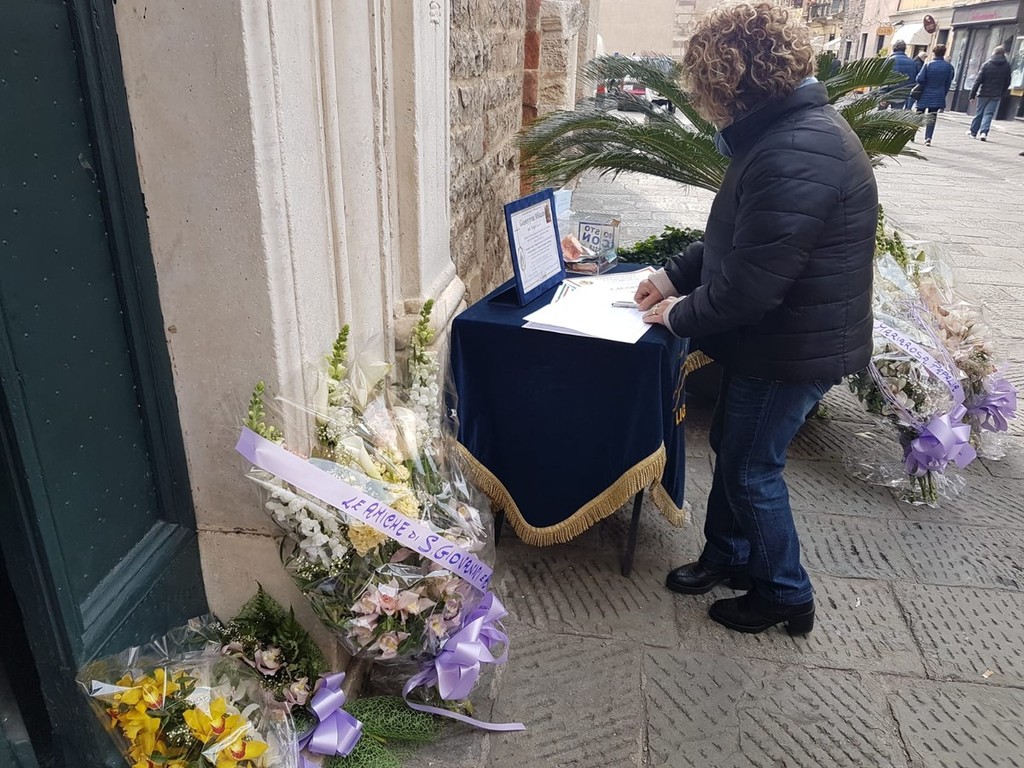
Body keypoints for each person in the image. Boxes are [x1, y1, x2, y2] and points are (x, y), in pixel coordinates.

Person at [633, 1, 877, 636]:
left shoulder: (794, 148)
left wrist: (678, 314)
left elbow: (751, 285)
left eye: (704, 85)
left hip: (788, 348)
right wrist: (672, 276)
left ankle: (784, 593)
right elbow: (739, 240)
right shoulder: (786, 133)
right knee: (734, 449)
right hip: (782, 339)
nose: (702, 101)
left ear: (730, 79)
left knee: (749, 468)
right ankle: (730, 555)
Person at [968, 46, 1012, 140]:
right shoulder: (1007, 66)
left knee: (979, 113)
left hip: (984, 93)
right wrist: (1002, 92)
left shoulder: (986, 65)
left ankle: (973, 132)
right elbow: (1008, 82)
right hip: (996, 94)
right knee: (989, 114)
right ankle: (984, 133)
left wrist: (972, 94)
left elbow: (978, 81)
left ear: (994, 53)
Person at [914, 44, 955, 146]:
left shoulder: (928, 65)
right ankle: (928, 138)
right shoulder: (948, 67)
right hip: (938, 94)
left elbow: (919, 79)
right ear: (944, 53)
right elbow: (948, 83)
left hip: (925, 93)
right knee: (932, 116)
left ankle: (912, 133)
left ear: (934, 53)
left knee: (918, 115)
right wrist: (943, 94)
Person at [884, 40, 918, 109]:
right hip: (902, 93)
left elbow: (883, 78)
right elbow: (913, 79)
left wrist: (881, 93)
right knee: (896, 113)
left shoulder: (888, 61)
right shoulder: (912, 62)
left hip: (888, 91)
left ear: (894, 48)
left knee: (881, 113)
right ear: (904, 49)